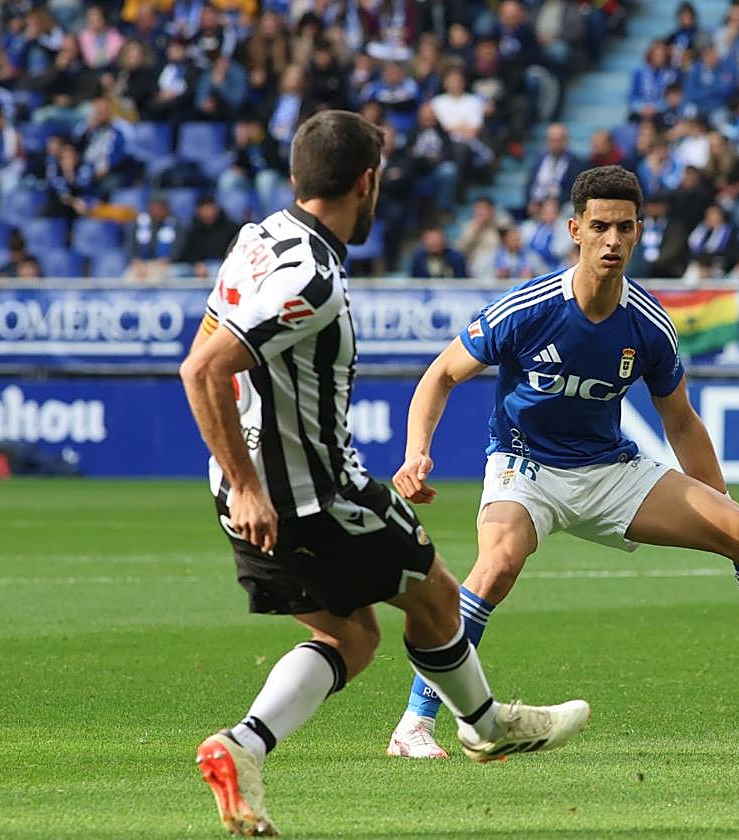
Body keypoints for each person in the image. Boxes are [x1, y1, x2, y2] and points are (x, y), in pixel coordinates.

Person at [384, 165, 739, 758]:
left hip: (609, 470)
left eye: (625, 228)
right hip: (526, 467)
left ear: (640, 231)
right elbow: (441, 375)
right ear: (574, 229)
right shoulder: (526, 309)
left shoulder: (649, 325)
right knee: (496, 565)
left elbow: (679, 420)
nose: (612, 241)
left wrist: (721, 504)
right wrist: (417, 452)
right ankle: (414, 724)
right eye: (599, 227)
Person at [179, 110, 591, 836]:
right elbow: (205, 368)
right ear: (366, 182)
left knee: (352, 640)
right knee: (435, 598)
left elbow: (207, 343)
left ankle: (240, 748)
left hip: (244, 494)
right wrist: (251, 482)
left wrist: (236, 478)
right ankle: (487, 724)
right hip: (315, 494)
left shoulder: (258, 239)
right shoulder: (312, 276)